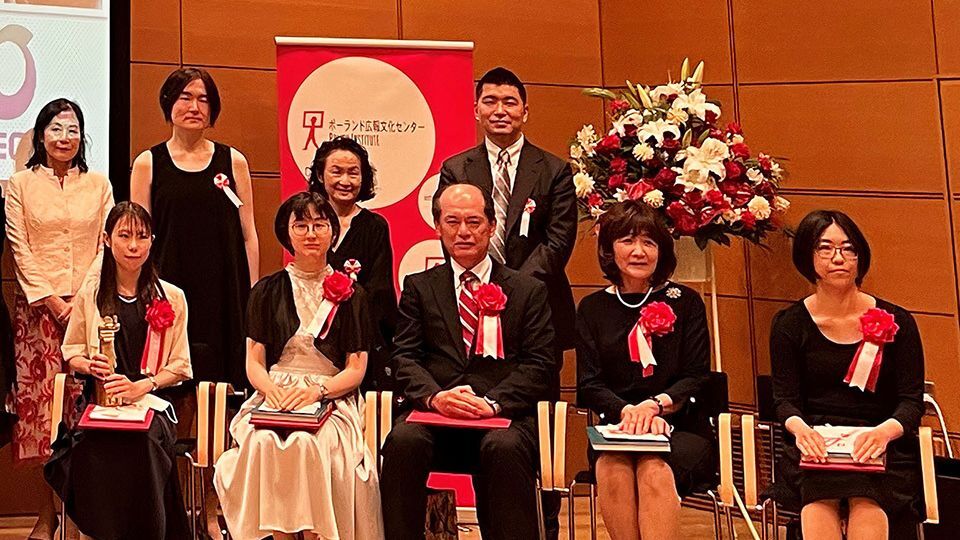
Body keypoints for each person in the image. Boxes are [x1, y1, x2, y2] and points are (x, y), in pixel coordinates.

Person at [437, 67, 576, 536]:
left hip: (536, 316)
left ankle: (546, 527)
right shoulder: (457, 168)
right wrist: (484, 294)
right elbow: (453, 236)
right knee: (486, 423)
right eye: (490, 101)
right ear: (476, 109)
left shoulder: (554, 169)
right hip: (470, 319)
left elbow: (557, 242)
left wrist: (511, 293)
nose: (500, 110)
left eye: (510, 102)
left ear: (525, 110)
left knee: (539, 431)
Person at [380, 182, 554, 540]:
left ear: (491, 226)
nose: (463, 232)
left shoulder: (527, 290)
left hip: (501, 417)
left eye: (474, 222)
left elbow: (540, 363)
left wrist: (492, 403)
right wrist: (435, 398)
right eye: (452, 221)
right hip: (436, 416)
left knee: (503, 448)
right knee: (403, 441)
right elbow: (405, 356)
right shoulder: (419, 286)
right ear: (437, 226)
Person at [214, 191, 382, 540]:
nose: (310, 233)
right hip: (274, 392)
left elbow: (356, 369)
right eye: (301, 225)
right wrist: (273, 392)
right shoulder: (266, 290)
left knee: (311, 445)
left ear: (333, 233)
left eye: (320, 225)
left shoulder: (353, 294)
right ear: (286, 232)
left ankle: (314, 534)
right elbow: (254, 362)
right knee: (262, 441)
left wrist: (317, 391)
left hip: (331, 394)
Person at [770, 210, 924, 539]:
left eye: (848, 248)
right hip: (816, 445)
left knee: (867, 502)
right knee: (817, 503)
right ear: (807, 257)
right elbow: (784, 400)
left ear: (860, 256)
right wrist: (801, 431)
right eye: (825, 248)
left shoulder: (898, 320)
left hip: (882, 443)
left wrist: (884, 433)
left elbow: (911, 402)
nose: (838, 258)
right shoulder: (789, 324)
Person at [45, 201, 192, 540]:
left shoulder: (171, 297)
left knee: (141, 443)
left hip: (151, 408)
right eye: (124, 236)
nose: (133, 245)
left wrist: (145, 386)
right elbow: (72, 353)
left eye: (142, 236)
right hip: (101, 406)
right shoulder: (92, 294)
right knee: (95, 447)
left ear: (152, 241)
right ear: (107, 240)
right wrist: (90, 365)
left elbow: (181, 366)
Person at [5, 98, 114, 539]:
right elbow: (19, 247)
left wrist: (81, 301)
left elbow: (106, 245)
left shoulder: (99, 184)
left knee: (85, 410)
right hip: (37, 314)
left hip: (89, 311)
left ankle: (82, 515)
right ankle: (47, 514)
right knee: (41, 416)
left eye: (72, 130)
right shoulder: (20, 184)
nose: (64, 138)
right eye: (55, 129)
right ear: (40, 135)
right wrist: (52, 301)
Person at [576, 201, 714, 540]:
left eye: (649, 242)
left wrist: (655, 406)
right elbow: (588, 384)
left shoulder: (686, 302)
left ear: (661, 251)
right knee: (611, 467)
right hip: (618, 428)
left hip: (679, 427)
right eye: (627, 241)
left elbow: (696, 375)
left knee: (653, 470)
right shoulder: (593, 308)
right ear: (609, 249)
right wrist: (628, 412)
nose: (638, 251)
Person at [130, 67, 259, 392]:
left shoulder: (234, 161)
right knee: (169, 381)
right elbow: (139, 237)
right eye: (185, 97)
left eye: (203, 99)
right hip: (168, 285)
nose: (194, 107)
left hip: (224, 286)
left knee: (223, 387)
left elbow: (248, 233)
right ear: (168, 103)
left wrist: (253, 293)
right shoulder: (148, 162)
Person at [307, 136, 396, 391]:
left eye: (353, 173)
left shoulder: (375, 226)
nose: (345, 181)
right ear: (321, 176)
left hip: (359, 338)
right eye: (336, 172)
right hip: (309, 334)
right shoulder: (307, 221)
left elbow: (380, 293)